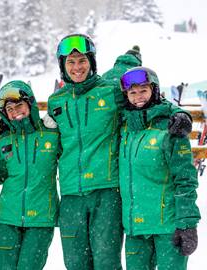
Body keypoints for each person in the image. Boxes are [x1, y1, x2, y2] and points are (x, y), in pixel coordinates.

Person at [46, 33, 192, 270]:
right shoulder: (56, 101)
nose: (77, 67)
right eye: (70, 62)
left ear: (91, 62)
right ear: (62, 66)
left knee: (106, 261)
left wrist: (179, 112)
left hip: (107, 191)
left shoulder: (111, 90)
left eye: (82, 60)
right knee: (75, 263)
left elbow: (148, 99)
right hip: (71, 194)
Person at [119, 67, 200, 270]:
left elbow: (185, 178)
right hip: (135, 229)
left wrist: (187, 223)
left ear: (154, 90)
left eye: (143, 90)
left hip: (168, 227)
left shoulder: (171, 128)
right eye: (132, 92)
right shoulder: (125, 128)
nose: (138, 97)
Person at [0, 80, 60, 270]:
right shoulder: (3, 139)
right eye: (10, 109)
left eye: (20, 105)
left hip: (41, 217)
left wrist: (60, 125)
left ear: (30, 104)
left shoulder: (52, 134)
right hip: (7, 217)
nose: (16, 112)